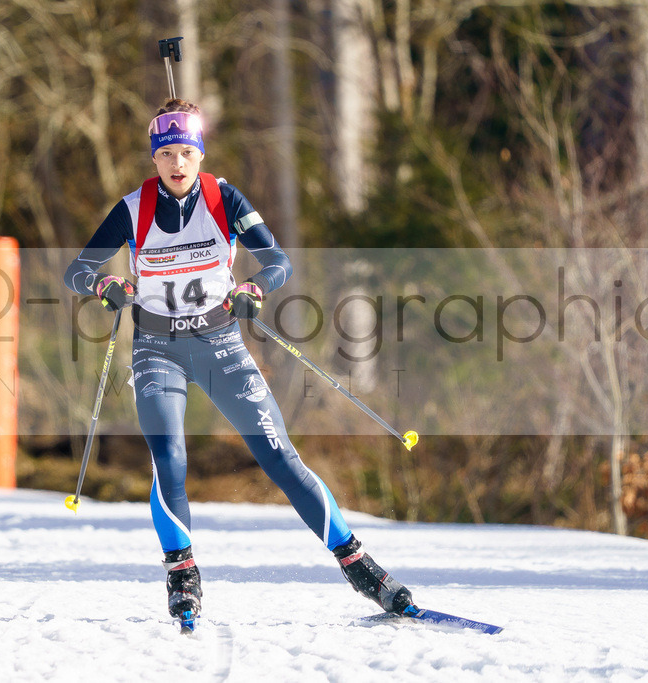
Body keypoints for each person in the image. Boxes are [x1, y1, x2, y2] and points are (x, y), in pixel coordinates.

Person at [64, 99, 413, 624]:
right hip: (157, 349)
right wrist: (104, 282)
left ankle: (361, 566)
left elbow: (278, 262)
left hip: (219, 344)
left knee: (279, 456)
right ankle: (182, 576)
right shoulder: (132, 209)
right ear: (154, 158)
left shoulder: (223, 198)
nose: (176, 163)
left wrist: (254, 285)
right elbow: (77, 269)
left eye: (186, 151)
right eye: (166, 154)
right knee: (170, 460)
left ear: (199, 154)